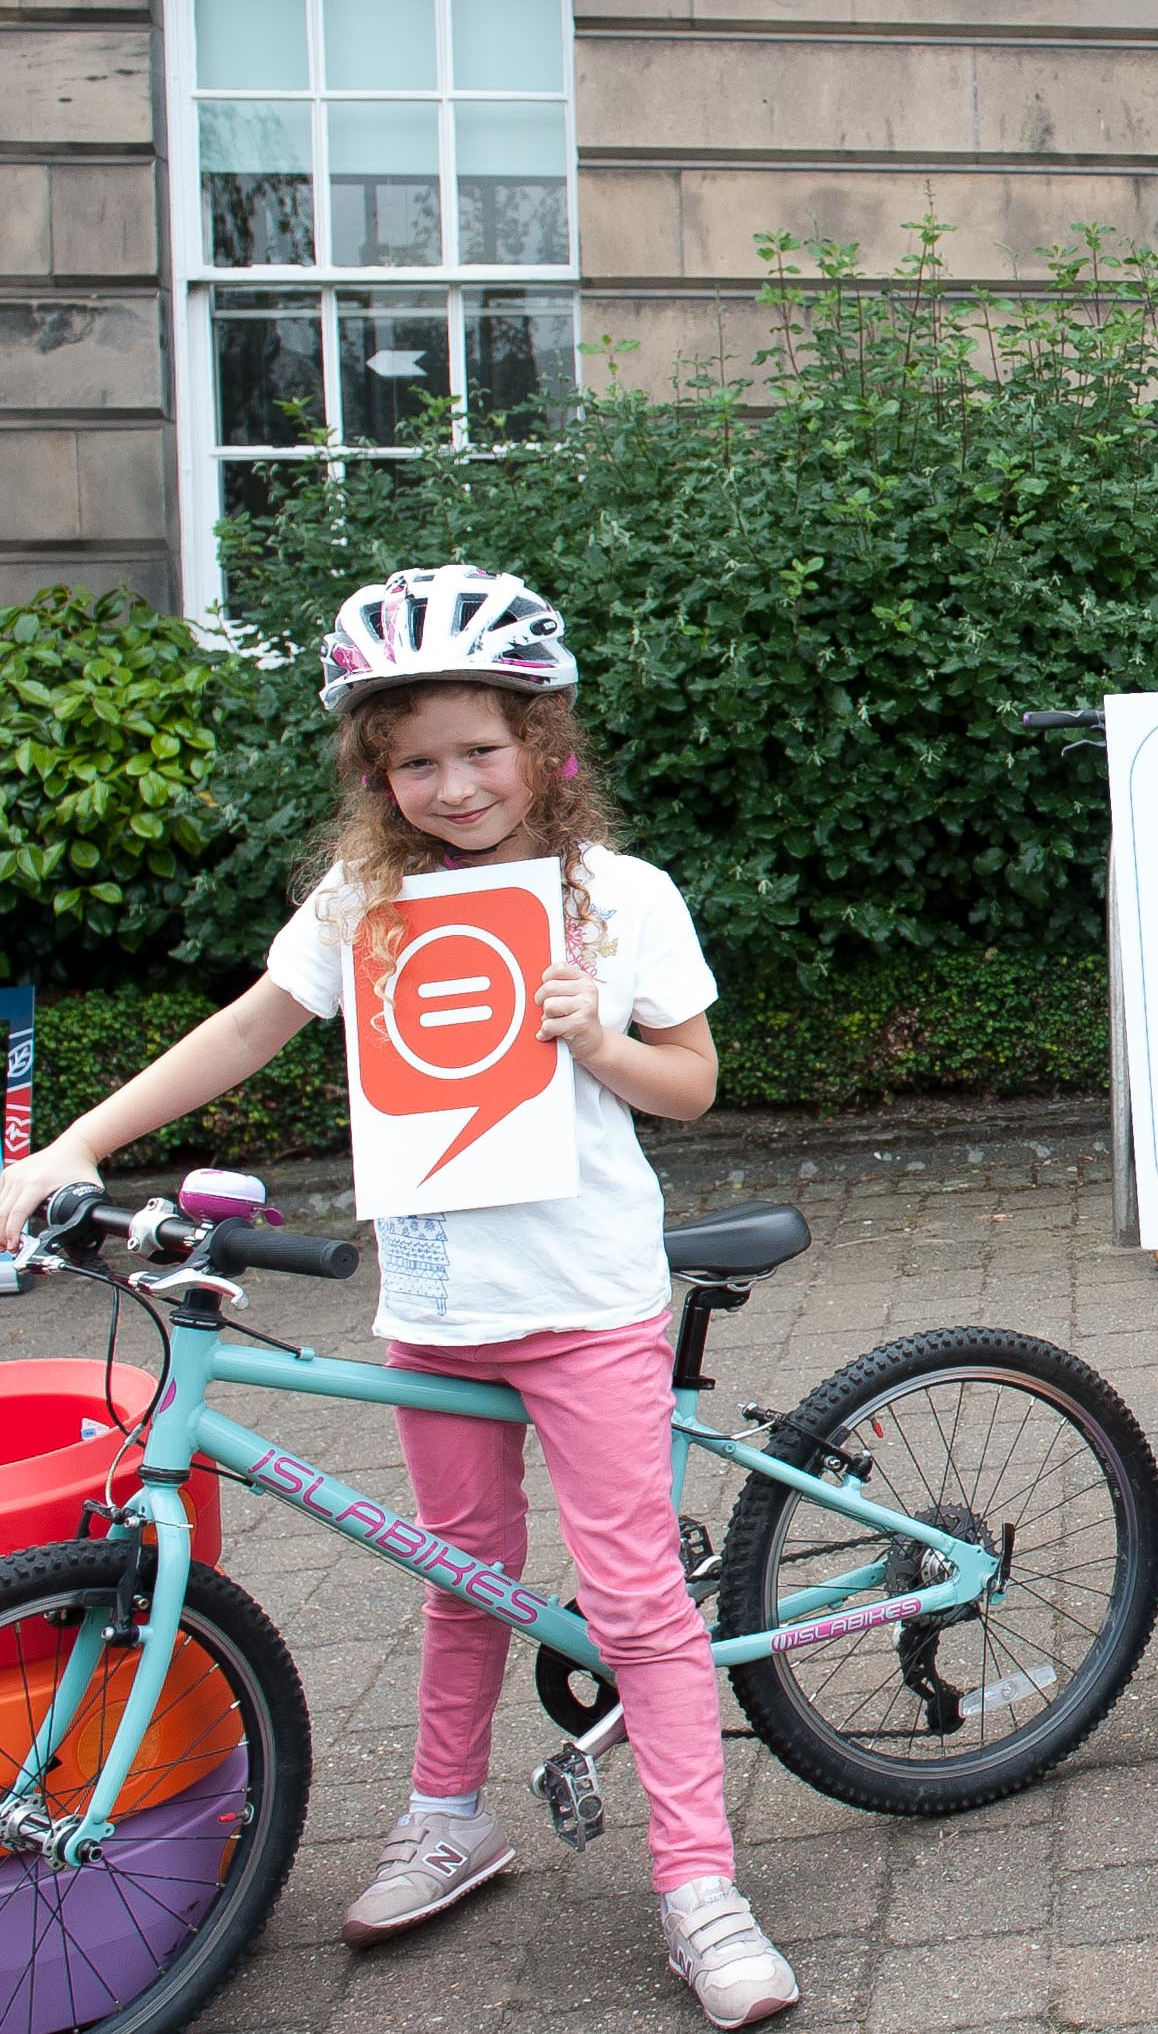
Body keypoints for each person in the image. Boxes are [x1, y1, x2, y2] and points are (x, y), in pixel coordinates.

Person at [0, 565, 799, 2029]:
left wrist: (599, 1038)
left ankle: (698, 1876)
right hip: (439, 1299)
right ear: (376, 770)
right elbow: (249, 1022)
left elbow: (692, 1083)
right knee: (460, 1574)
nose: (450, 783)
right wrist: (76, 1143)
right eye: (413, 758)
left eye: (480, 750)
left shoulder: (621, 897)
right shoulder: (364, 899)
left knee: (632, 1598)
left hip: (582, 1293)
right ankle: (448, 1814)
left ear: (545, 745)